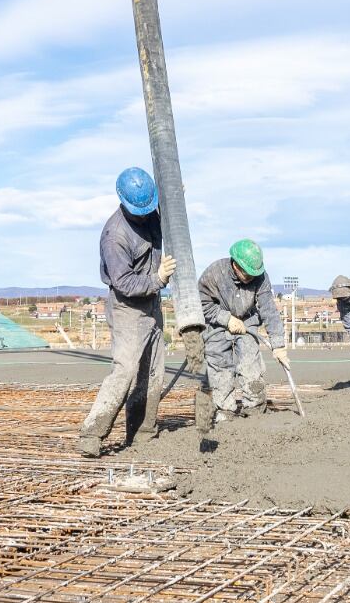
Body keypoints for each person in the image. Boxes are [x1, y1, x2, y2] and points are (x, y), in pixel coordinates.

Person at [77, 167, 177, 457]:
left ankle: (142, 433)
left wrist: (173, 200)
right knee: (126, 371)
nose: (147, 213)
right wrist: (157, 279)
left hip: (151, 303)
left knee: (153, 370)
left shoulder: (150, 215)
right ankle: (91, 434)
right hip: (127, 307)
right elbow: (123, 282)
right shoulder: (115, 235)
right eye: (142, 209)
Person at [197, 239, 286, 421]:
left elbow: (268, 309)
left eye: (254, 274)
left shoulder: (260, 276)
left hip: (248, 321)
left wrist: (278, 345)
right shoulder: (214, 273)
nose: (251, 278)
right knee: (220, 367)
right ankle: (224, 409)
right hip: (217, 324)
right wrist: (226, 318)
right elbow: (202, 304)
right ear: (235, 264)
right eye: (247, 274)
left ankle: (254, 408)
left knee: (250, 365)